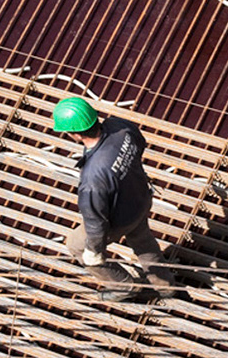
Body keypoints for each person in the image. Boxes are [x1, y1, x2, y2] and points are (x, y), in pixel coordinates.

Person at [53, 96, 171, 298]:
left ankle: (124, 288)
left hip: (120, 219)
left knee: (76, 245)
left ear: (74, 134)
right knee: (143, 241)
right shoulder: (118, 126)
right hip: (140, 198)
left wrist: (94, 251)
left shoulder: (92, 178)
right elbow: (139, 142)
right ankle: (167, 287)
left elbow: (96, 221)